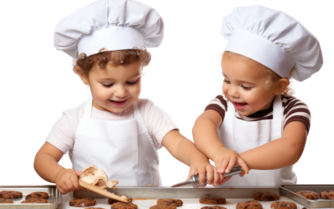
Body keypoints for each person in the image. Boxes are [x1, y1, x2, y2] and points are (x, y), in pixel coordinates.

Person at [33, 0, 232, 194]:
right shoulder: (73, 118)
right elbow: (43, 157)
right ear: (83, 75)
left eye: (131, 81)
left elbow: (178, 143)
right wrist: (59, 173)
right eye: (108, 84)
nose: (120, 92)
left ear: (143, 70)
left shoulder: (147, 111)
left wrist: (196, 160)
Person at [191, 4, 323, 187]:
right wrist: (218, 152)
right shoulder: (223, 102)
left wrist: (238, 161)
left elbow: (292, 147)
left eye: (246, 86)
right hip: (224, 200)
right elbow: (202, 124)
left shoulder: (294, 108)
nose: (232, 92)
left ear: (279, 86)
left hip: (277, 200)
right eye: (227, 80)